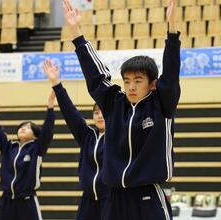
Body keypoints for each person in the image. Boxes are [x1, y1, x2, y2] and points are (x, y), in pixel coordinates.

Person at [62, 0, 181, 219]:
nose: (131, 86)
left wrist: (172, 31)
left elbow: (171, 75)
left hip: (147, 196)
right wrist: (77, 34)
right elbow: (95, 77)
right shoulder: (114, 104)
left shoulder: (161, 105)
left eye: (138, 80)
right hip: (115, 198)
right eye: (127, 81)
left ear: (152, 84)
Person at [42, 59, 108, 220]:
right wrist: (56, 84)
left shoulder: (119, 136)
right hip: (87, 201)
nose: (99, 115)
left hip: (112, 200)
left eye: (103, 112)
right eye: (96, 112)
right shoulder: (87, 136)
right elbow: (70, 112)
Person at [0, 86, 55, 220]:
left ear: (36, 136)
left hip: (27, 202)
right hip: (6, 201)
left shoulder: (37, 148)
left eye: (28, 127)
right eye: (21, 127)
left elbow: (48, 130)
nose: (23, 129)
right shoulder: (9, 147)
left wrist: (50, 105)